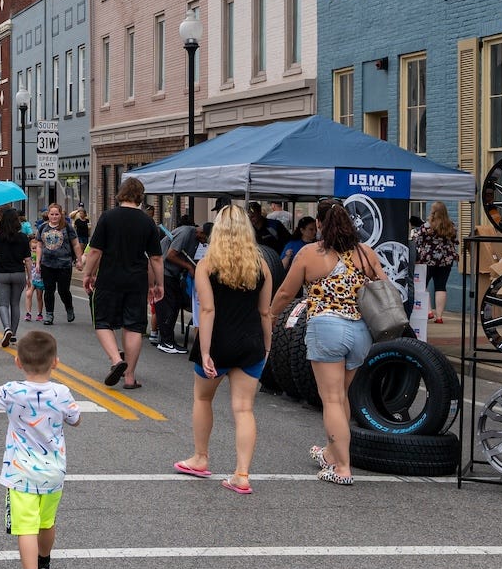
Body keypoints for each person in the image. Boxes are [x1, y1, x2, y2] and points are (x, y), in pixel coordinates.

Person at [267, 199, 385, 486]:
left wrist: (270, 317)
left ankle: (343, 468)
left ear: (318, 224)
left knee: (330, 399)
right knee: (341, 396)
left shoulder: (310, 253)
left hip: (327, 327)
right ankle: (332, 453)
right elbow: (385, 287)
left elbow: (285, 293)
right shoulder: (365, 253)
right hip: (360, 330)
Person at [179, 205, 277, 493]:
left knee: (202, 399)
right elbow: (264, 313)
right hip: (250, 343)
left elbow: (207, 310)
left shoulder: (206, 266)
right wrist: (267, 346)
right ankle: (242, 474)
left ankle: (200, 457)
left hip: (218, 341)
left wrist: (206, 351)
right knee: (244, 408)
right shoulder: (261, 267)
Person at [0, 328, 79, 569]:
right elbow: (75, 419)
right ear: (55, 362)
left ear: (18, 362)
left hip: (21, 472)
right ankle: (43, 563)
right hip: (54, 471)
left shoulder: (12, 391)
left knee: (25, 526)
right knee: (46, 521)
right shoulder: (62, 392)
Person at [80, 178, 165, 390]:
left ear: (120, 194)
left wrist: (88, 274)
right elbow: (155, 258)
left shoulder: (108, 217)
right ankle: (129, 377)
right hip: (137, 280)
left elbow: (96, 250)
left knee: (103, 322)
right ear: (140, 197)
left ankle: (116, 360)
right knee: (134, 326)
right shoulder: (148, 222)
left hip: (110, 277)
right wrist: (158, 284)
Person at [153, 212, 200, 356]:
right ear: (201, 233)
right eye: (204, 239)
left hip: (171, 274)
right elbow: (171, 255)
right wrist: (189, 267)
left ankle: (166, 338)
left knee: (175, 303)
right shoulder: (186, 233)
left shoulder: (193, 235)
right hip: (164, 272)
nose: (203, 243)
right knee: (169, 305)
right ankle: (166, 342)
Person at [0, 204, 32, 348]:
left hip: (2, 273)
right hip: (18, 273)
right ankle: (13, 334)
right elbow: (28, 260)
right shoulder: (23, 238)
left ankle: (6, 328)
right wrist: (30, 277)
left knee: (3, 304)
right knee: (15, 304)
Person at [412, 203, 458, 325]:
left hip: (427, 259)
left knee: (423, 285)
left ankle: (428, 311)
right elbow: (455, 241)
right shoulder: (451, 226)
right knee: (441, 286)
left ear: (433, 212)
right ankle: (439, 316)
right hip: (445, 260)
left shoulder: (426, 226)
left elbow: (418, 241)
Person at [36, 203, 77, 325]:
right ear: (48, 214)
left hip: (64, 264)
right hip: (47, 264)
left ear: (61, 215)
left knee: (63, 290)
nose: (54, 216)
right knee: (49, 290)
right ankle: (49, 314)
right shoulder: (43, 228)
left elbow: (75, 243)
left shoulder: (67, 227)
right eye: (52, 214)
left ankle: (69, 307)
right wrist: (38, 262)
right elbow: (39, 245)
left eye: (56, 214)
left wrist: (79, 259)